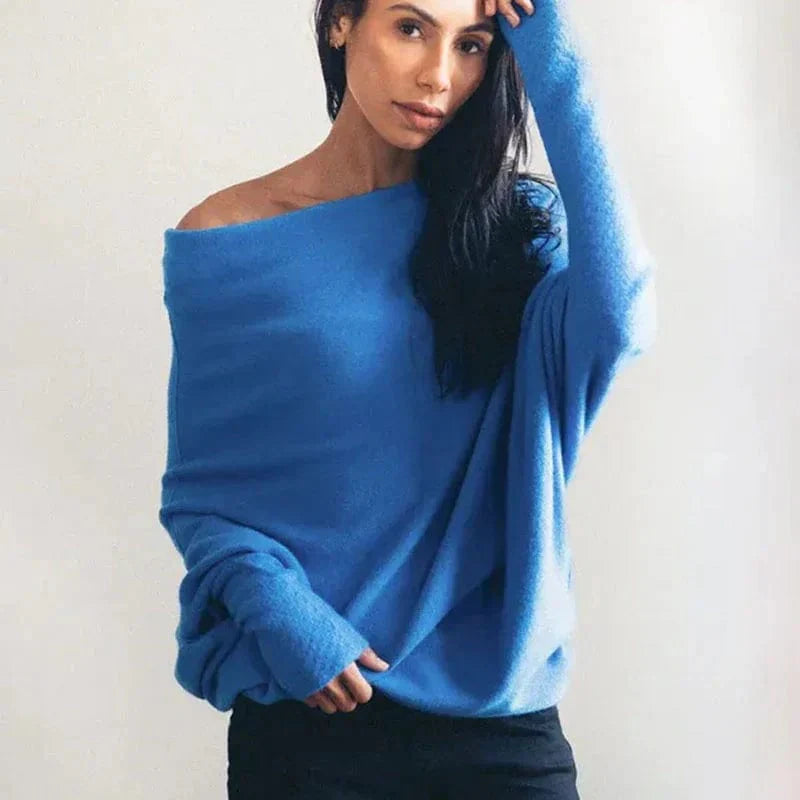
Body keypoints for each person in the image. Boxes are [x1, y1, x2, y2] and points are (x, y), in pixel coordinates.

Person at [158, 0, 658, 797]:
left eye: (473, 46)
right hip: (311, 713)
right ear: (340, 22)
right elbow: (202, 497)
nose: (438, 76)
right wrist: (281, 612)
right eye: (410, 28)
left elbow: (622, 316)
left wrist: (550, 47)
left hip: (498, 726)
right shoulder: (225, 236)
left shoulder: (517, 228)